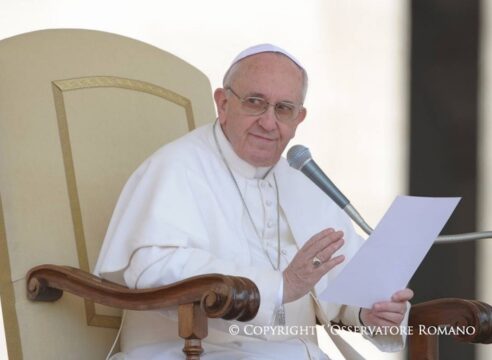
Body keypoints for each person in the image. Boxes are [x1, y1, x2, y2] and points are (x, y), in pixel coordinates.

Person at [94, 44, 414, 359]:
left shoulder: (301, 181)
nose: (269, 122)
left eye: (284, 109)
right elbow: (152, 270)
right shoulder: (176, 167)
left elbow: (349, 283)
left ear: (299, 119)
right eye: (255, 102)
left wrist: (369, 314)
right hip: (186, 350)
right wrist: (276, 286)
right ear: (223, 103)